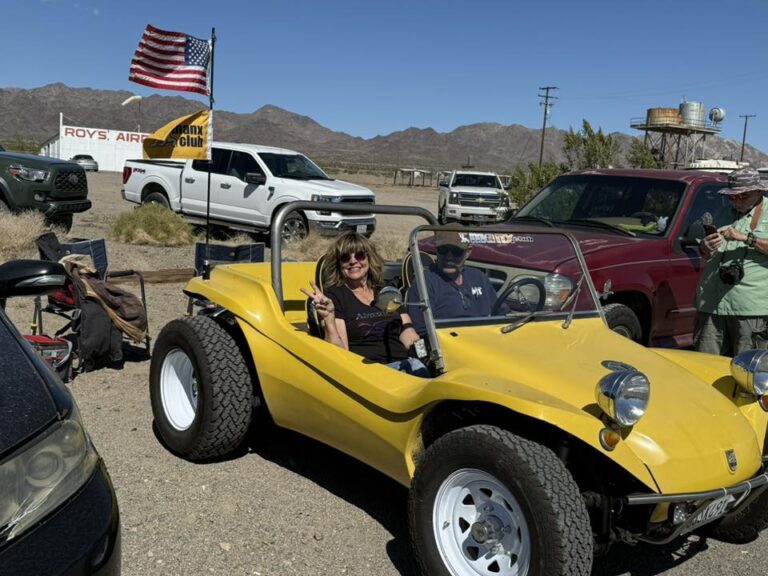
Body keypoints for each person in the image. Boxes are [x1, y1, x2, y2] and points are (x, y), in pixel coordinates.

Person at [301, 232, 429, 376]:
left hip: (405, 366)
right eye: (345, 257)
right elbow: (340, 354)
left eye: (360, 255)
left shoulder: (385, 290)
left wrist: (425, 355)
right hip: (367, 373)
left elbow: (408, 332)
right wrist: (329, 320)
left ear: (369, 258)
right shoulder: (335, 296)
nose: (353, 261)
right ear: (338, 264)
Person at [695, 166, 768, 356]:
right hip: (712, 303)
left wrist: (746, 238)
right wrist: (705, 247)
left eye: (742, 195)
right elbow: (707, 255)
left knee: (747, 368)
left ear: (758, 191)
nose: (736, 201)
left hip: (749, 309)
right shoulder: (723, 212)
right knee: (704, 366)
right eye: (732, 196)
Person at [406, 230, 497, 334]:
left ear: (468, 252)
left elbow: (501, 312)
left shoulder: (478, 277)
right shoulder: (425, 283)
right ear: (436, 250)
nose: (449, 257)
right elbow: (422, 330)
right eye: (443, 250)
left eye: (456, 252)